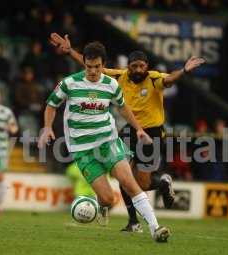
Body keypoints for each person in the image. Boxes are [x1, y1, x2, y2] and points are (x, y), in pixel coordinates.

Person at [49, 33, 205, 232]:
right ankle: (133, 222)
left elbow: (170, 80)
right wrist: (70, 51)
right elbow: (92, 66)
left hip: (153, 134)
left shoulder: (154, 78)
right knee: (125, 174)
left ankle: (163, 183)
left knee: (143, 182)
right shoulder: (119, 76)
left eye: (141, 66)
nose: (138, 69)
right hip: (131, 130)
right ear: (128, 67)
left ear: (146, 66)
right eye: (134, 66)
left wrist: (183, 70)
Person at [38, 42, 170, 243]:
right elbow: (51, 105)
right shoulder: (69, 83)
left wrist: (139, 129)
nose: (92, 71)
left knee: (129, 183)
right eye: (89, 66)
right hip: (82, 150)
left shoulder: (111, 84)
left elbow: (123, 108)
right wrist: (47, 127)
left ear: (103, 64)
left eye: (97, 66)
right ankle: (101, 206)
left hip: (108, 142)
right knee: (108, 198)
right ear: (84, 63)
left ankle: (155, 228)